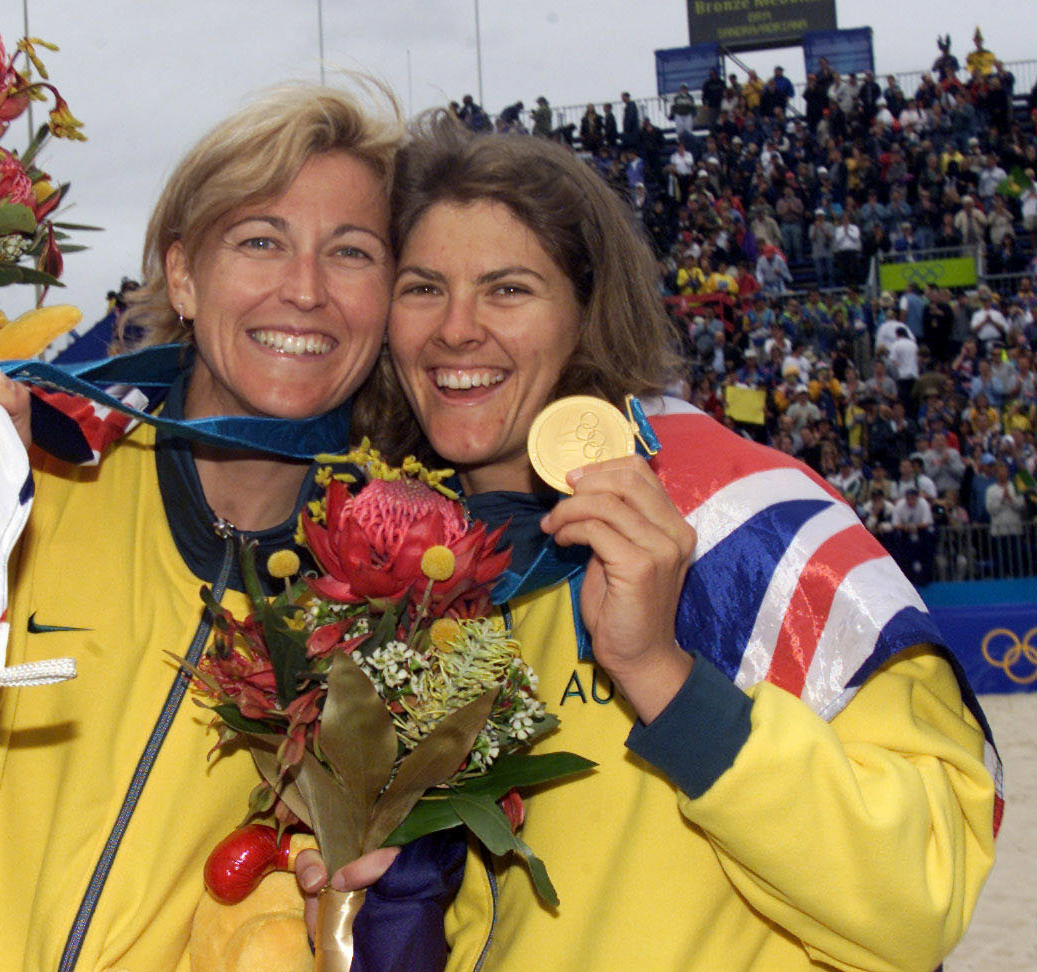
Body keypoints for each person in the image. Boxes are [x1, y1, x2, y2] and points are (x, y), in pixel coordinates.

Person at [343, 117, 996, 971]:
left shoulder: (744, 521)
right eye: (423, 287)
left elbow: (919, 898)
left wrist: (663, 677)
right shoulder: (401, 559)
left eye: (508, 290)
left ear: (586, 313)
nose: (456, 329)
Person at [0, 84, 402, 972]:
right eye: (260, 241)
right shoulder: (26, 480)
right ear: (185, 277)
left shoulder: (400, 591)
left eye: (350, 252)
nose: (304, 289)